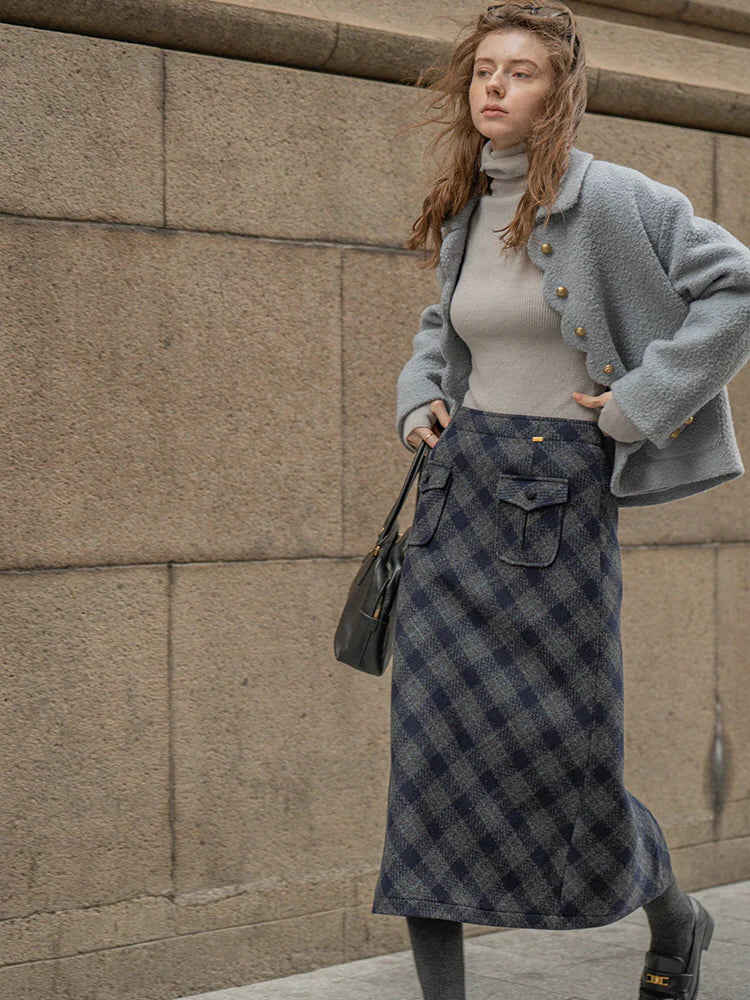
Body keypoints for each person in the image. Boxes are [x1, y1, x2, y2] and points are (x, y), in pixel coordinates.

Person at [370, 4, 750, 1000]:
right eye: (483, 70)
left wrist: (640, 403)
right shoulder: (464, 206)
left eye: (520, 72)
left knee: (562, 762)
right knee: (428, 766)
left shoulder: (618, 200)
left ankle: (674, 916)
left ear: (561, 91)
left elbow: (736, 287)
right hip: (455, 507)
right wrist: (421, 398)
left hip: (559, 505)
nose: (493, 87)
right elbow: (442, 330)